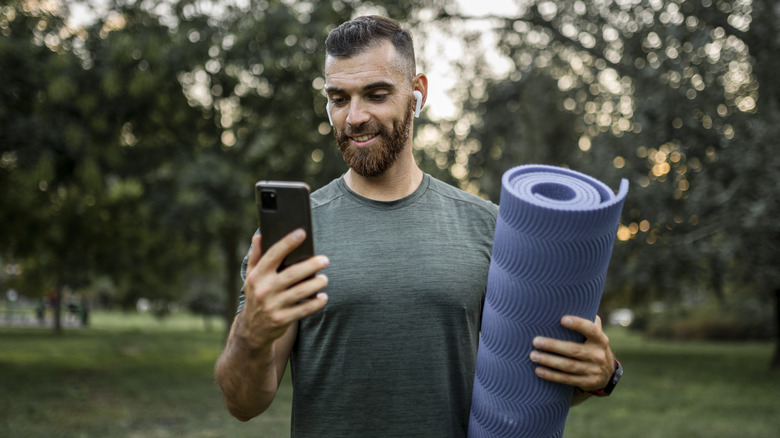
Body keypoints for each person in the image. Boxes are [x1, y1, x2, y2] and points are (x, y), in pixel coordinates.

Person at [215, 15, 618, 437]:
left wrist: (602, 373)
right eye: (339, 98)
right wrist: (250, 334)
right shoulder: (294, 236)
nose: (354, 117)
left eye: (375, 94)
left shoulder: (490, 226)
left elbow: (535, 380)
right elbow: (242, 404)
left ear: (417, 93)